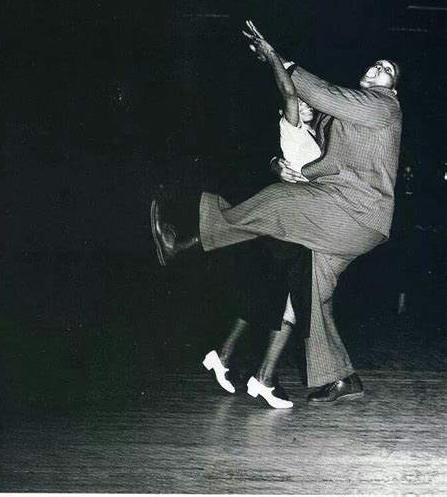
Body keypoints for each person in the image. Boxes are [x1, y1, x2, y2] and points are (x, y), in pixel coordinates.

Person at [151, 22, 402, 404]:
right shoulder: (339, 119)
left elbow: (320, 92)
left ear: (392, 87)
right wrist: (276, 161)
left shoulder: (383, 107)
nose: (379, 68)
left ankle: (185, 243)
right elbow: (306, 125)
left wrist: (275, 56)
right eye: (376, 64)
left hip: (357, 212)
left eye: (388, 70)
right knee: (311, 293)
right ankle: (340, 377)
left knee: (280, 201)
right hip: (342, 219)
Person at [202, 22, 321, 408]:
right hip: (290, 224)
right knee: (285, 305)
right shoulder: (293, 126)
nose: (304, 104)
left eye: (308, 103)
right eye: (300, 101)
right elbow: (287, 90)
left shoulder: (314, 136)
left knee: (265, 298)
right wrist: (272, 56)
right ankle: (263, 378)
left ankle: (225, 357)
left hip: (292, 223)